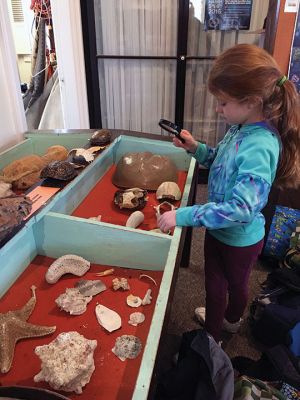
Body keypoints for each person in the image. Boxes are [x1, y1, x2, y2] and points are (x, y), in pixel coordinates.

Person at [157, 43, 300, 343]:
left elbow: (241, 209)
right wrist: (196, 149)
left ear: (250, 101)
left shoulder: (260, 145)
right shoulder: (241, 127)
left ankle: (223, 330)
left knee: (235, 285)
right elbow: (219, 163)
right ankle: (219, 325)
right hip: (217, 230)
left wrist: (181, 216)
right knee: (215, 285)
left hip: (241, 239)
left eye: (223, 103)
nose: (217, 109)